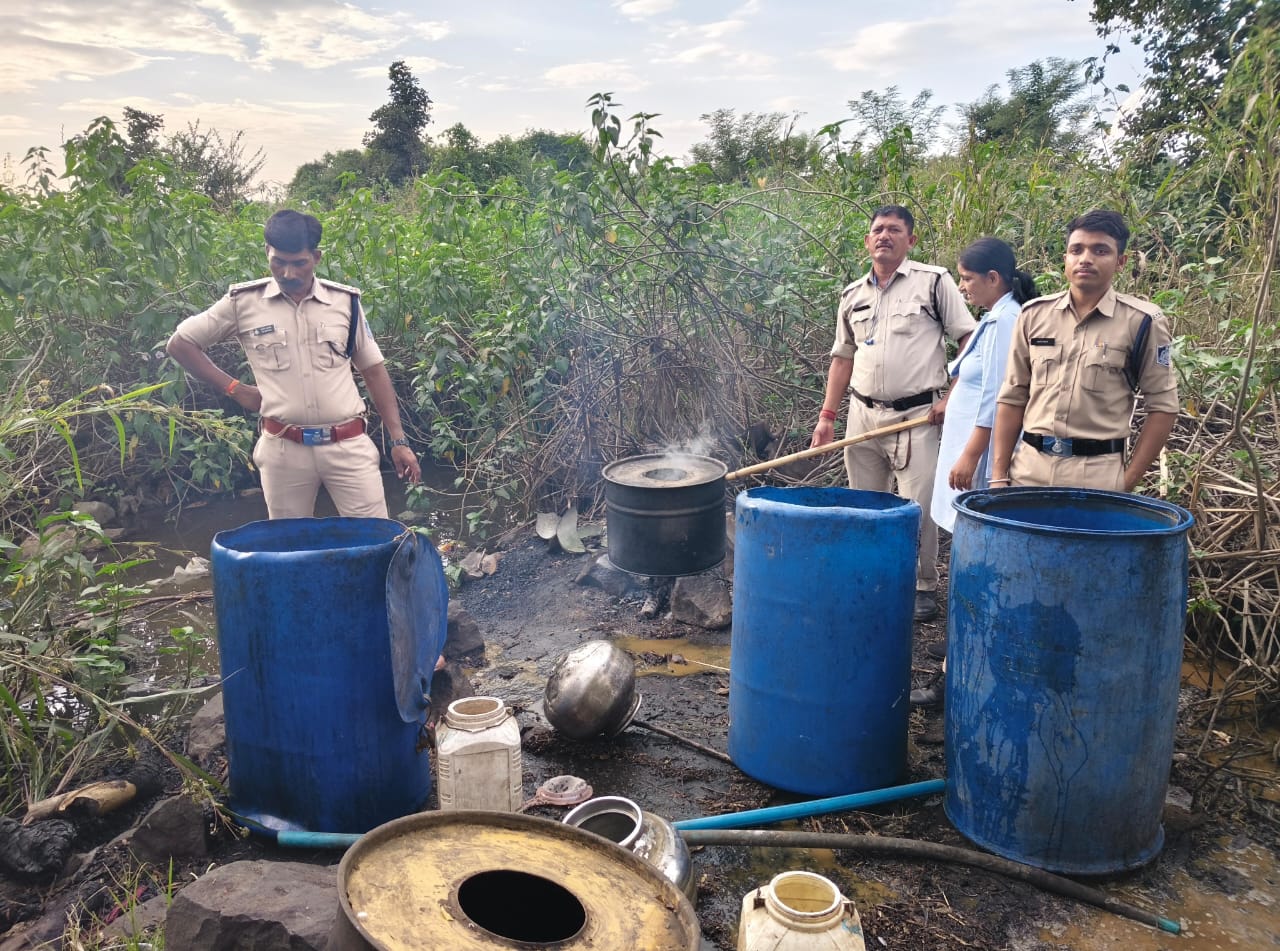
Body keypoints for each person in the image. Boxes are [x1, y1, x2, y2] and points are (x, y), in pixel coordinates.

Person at [167, 209, 421, 519]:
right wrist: (235, 389)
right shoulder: (243, 302)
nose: (288, 273)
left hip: (348, 446)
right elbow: (181, 344)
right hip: (283, 451)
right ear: (267, 253)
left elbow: (373, 370)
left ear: (316, 257)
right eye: (278, 262)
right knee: (290, 546)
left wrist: (398, 440)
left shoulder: (345, 303)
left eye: (298, 263)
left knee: (375, 539)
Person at [811, 205, 977, 622]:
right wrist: (827, 417)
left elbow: (971, 341)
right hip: (862, 415)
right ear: (867, 241)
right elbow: (841, 359)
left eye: (894, 230)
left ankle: (922, 586)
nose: (884, 236)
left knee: (915, 508)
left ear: (911, 240)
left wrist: (951, 399)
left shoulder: (933, 282)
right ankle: (873, 577)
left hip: (918, 417)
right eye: (877, 230)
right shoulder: (852, 295)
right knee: (864, 504)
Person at [910, 237, 1035, 708]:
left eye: (966, 279)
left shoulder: (1008, 319)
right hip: (964, 448)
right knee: (965, 551)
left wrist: (972, 454)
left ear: (993, 279)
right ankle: (962, 635)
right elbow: (970, 379)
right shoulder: (994, 317)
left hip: (977, 458)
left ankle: (957, 668)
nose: (962, 288)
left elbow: (1000, 396)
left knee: (977, 556)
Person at [990, 209, 1178, 492]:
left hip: (1098, 477)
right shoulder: (1033, 315)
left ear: (1120, 262)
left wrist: (1125, 483)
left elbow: (1163, 407)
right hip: (1028, 470)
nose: (1085, 259)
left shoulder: (1142, 322)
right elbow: (1013, 396)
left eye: (1100, 250)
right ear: (1065, 258)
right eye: (1076, 250)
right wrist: (999, 474)